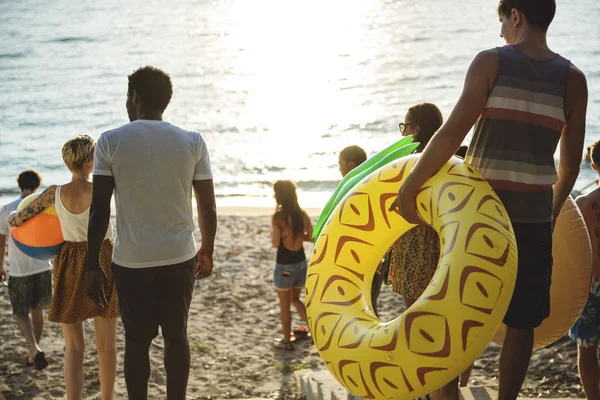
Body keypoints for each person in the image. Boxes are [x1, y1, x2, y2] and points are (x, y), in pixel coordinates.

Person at [389, 1, 588, 399]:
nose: (500, 32)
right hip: (532, 222)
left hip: (477, 218)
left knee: (453, 310)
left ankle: (447, 396)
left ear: (516, 16)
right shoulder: (574, 80)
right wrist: (548, 213)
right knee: (522, 323)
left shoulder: (490, 63)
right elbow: (568, 168)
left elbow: (448, 136)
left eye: (501, 21)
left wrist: (409, 186)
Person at [86, 66, 217, 400]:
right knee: (177, 336)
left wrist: (91, 263)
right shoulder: (192, 141)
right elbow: (207, 207)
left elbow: (100, 208)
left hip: (131, 261)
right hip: (178, 257)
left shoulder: (110, 141)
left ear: (135, 97)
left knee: (136, 340)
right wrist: (207, 249)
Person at [9, 136, 118, 399]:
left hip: (68, 262)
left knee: (74, 347)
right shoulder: (103, 188)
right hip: (102, 258)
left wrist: (13, 216)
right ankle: (107, 397)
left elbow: (17, 220)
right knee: (106, 346)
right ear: (90, 161)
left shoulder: (52, 193)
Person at [0, 170, 51, 370]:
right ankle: (33, 352)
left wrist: (0, 266)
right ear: (38, 185)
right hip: (42, 266)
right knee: (37, 310)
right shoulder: (44, 208)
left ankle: (34, 348)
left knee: (20, 312)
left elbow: (1, 242)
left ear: (19, 184)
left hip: (19, 270)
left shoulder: (7, 209)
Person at [570, 139, 600, 400]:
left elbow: (573, 251)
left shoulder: (582, 204)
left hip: (591, 286)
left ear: (593, 165)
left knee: (587, 351)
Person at [271, 180, 313, 350]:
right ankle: (314, 330)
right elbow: (310, 237)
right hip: (301, 264)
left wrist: (284, 236)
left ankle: (287, 342)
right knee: (296, 299)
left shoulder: (278, 218)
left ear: (280, 196)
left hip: (284, 266)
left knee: (284, 306)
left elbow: (275, 243)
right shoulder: (302, 215)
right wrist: (297, 235)